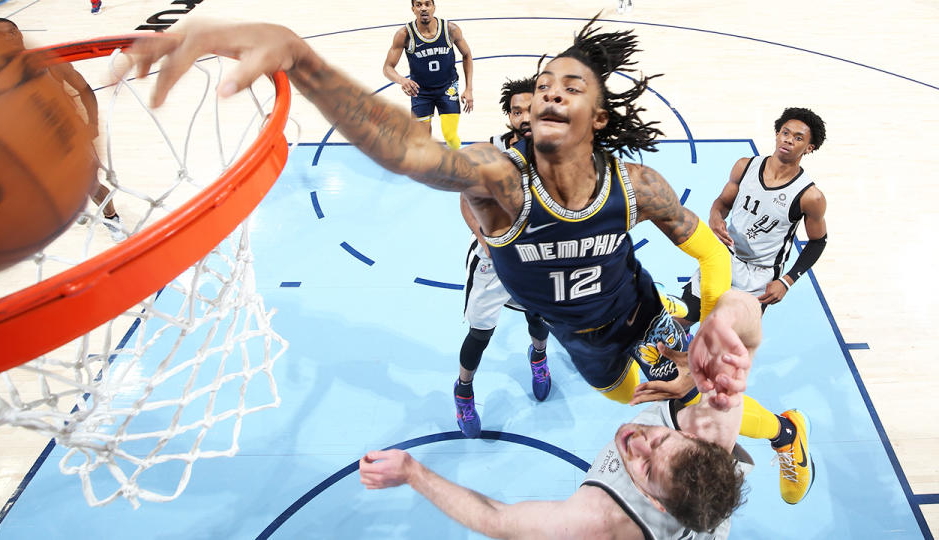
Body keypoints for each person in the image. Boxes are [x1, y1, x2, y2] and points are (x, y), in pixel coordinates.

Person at [125, 14, 811, 506]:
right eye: (544, 84)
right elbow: (410, 151)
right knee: (654, 403)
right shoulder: (501, 182)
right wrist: (297, 56)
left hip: (645, 317)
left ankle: (784, 433)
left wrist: (716, 310)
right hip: (591, 352)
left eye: (571, 87)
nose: (550, 92)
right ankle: (761, 426)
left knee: (702, 407)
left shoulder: (635, 187)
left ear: (599, 119)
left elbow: (705, 245)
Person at [360, 290, 763, 539]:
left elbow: (497, 520)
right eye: (660, 439)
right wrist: (724, 320)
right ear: (693, 438)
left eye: (643, 466)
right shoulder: (714, 425)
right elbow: (748, 311)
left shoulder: (597, 523)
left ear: (656, 504)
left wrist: (414, 473)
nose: (637, 441)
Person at [674, 107, 826, 504]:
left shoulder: (809, 196)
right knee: (675, 326)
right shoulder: (745, 166)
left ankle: (781, 434)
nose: (788, 140)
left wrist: (787, 280)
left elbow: (818, 242)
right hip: (720, 262)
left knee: (716, 370)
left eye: (798, 138)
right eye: (785, 132)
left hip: (757, 282)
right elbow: (721, 203)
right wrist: (714, 216)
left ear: (809, 148)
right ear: (776, 132)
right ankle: (757, 430)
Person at [455, 76, 548, 438]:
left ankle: (538, 358)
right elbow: (465, 200)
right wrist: (487, 240)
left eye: (531, 109)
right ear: (508, 117)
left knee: (539, 319)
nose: (524, 117)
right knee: (480, 333)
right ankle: (463, 390)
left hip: (536, 258)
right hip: (494, 262)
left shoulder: (557, 152)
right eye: (517, 111)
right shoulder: (487, 153)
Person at [0, 18, 125, 242]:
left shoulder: (48, 61)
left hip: (68, 132)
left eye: (11, 33)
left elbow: (85, 90)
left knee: (92, 183)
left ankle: (113, 219)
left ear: (19, 33)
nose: (8, 39)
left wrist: (92, 124)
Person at [382, 0, 473, 150]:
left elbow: (467, 55)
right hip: (420, 91)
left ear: (434, 7)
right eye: (418, 5)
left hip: (447, 88)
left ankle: (457, 160)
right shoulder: (404, 34)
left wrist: (469, 89)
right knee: (421, 140)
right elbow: (387, 68)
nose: (423, 8)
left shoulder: (450, 29)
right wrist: (402, 80)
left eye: (427, 4)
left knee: (450, 136)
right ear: (413, 9)